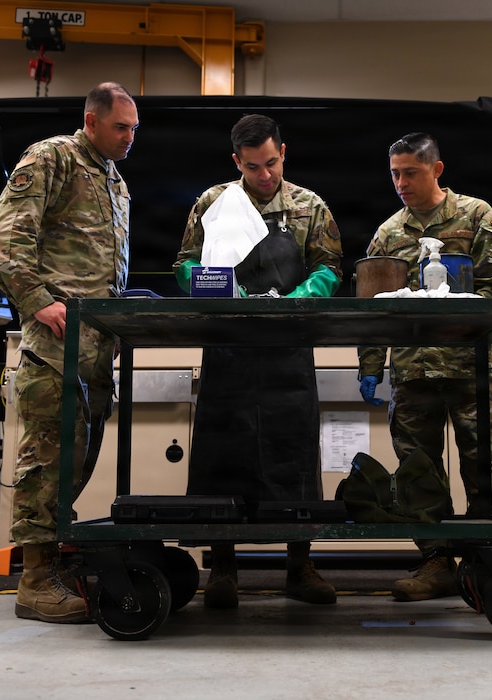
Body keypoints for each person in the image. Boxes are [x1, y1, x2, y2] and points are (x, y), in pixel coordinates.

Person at [173, 114, 344, 608]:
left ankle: (300, 565)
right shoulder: (213, 203)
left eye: (271, 163)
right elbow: (184, 264)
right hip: (228, 348)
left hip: (288, 348)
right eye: (253, 167)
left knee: (294, 457)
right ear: (236, 162)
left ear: (283, 152)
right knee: (221, 455)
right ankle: (223, 568)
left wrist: (298, 299)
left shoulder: (309, 206)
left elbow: (330, 267)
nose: (265, 175)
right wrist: (216, 285)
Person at [0, 82, 138, 623]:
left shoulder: (115, 183)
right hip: (55, 346)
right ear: (92, 120)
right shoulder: (53, 157)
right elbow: (7, 235)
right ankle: (34, 582)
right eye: (120, 127)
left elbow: (104, 267)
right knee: (47, 465)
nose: (129, 137)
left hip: (95, 350)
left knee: (77, 462)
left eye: (134, 129)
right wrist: (37, 301)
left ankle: (53, 565)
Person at [357, 132, 492, 602]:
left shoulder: (477, 217)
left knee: (483, 462)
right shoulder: (388, 234)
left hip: (468, 368)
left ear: (436, 170)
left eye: (411, 173)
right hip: (412, 373)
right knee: (417, 470)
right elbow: (373, 307)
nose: (401, 183)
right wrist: (371, 364)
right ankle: (437, 561)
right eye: (395, 174)